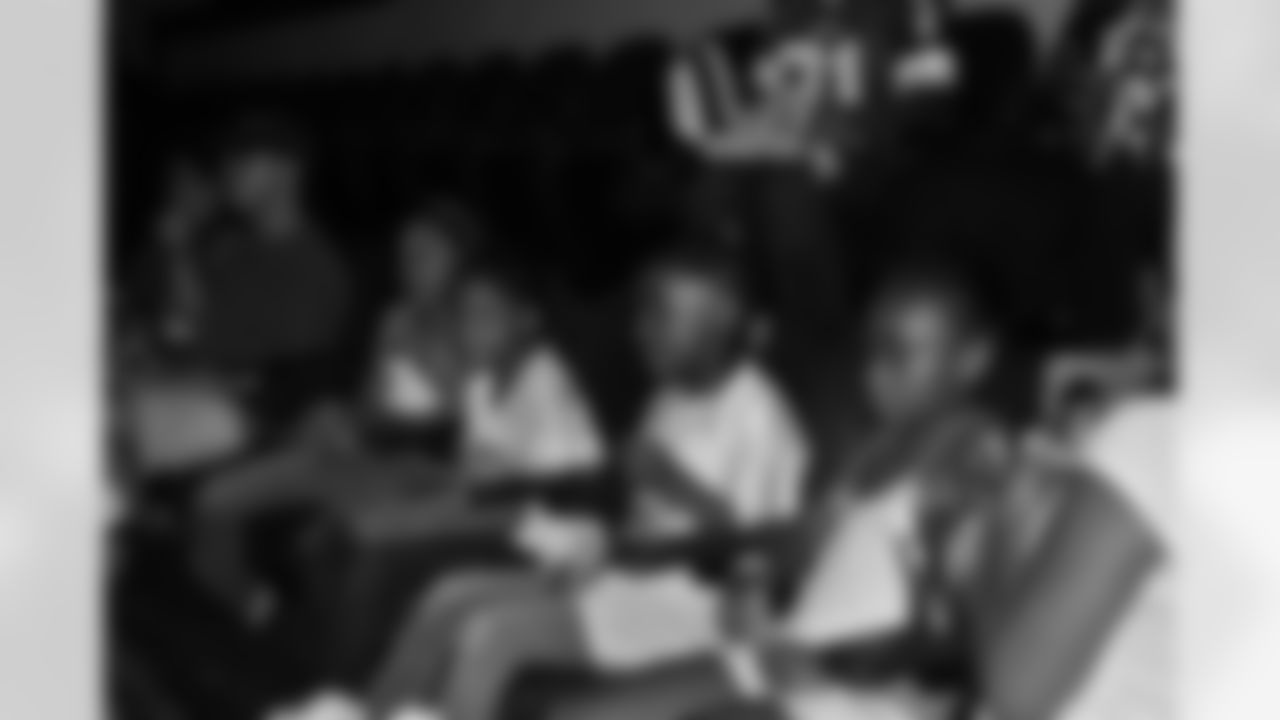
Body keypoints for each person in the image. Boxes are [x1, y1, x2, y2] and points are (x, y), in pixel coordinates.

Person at [274, 248, 811, 720]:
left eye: (661, 313)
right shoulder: (671, 390)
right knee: (448, 595)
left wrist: (675, 488)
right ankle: (362, 711)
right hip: (627, 567)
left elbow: (760, 556)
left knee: (490, 636)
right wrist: (600, 542)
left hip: (692, 607)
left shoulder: (759, 415)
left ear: (722, 316)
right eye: (641, 312)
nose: (641, 330)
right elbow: (629, 503)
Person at [549, 268, 1015, 720]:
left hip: (869, 686)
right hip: (791, 650)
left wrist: (832, 662)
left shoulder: (975, 459)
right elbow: (805, 538)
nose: (875, 371)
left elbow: (952, 627)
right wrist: (754, 575)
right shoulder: (879, 448)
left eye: (897, 353)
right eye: (870, 351)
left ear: (973, 359)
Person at [182, 119, 352, 435]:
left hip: (262, 436)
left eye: (245, 157)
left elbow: (290, 395)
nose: (229, 168)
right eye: (230, 157)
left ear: (288, 172)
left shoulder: (314, 268)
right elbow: (199, 337)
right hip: (206, 417)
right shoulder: (231, 251)